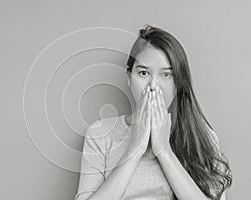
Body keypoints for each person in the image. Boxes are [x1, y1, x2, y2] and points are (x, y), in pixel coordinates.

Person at [74, 25, 232, 200]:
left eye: (166, 75)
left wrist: (164, 151)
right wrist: (135, 149)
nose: (153, 86)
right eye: (143, 73)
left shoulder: (202, 137)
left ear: (178, 82)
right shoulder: (101, 134)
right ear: (129, 78)